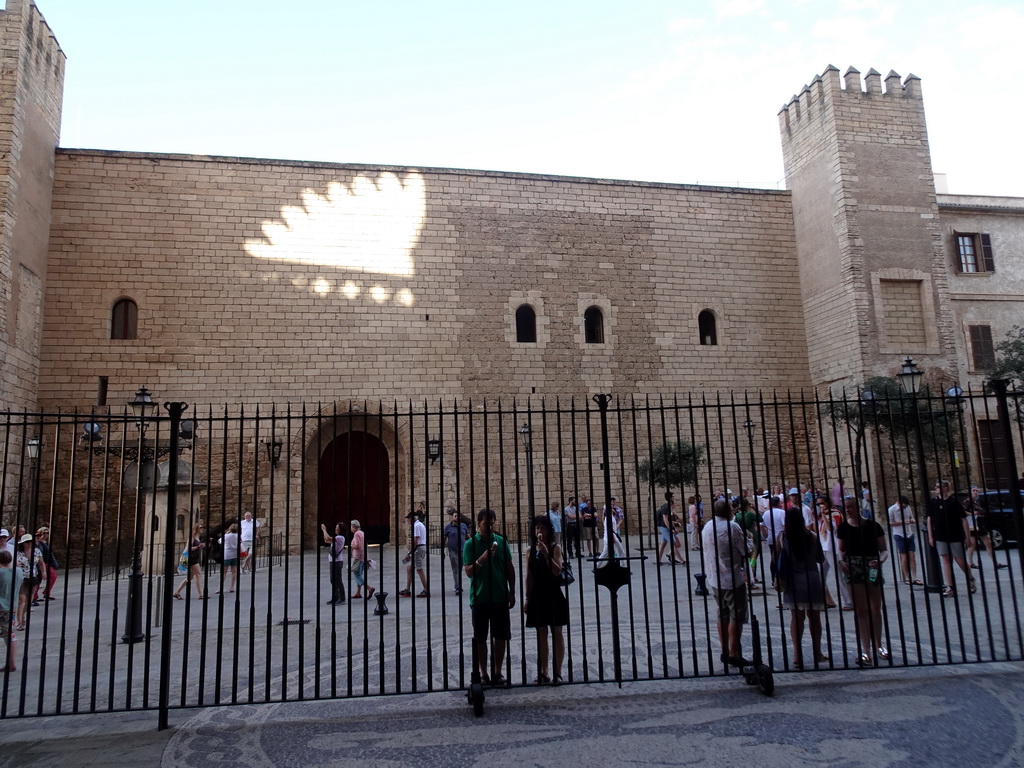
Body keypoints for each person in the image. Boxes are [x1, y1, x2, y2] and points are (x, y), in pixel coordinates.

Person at [463, 508, 516, 686]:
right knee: (480, 638)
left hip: (500, 596)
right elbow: (469, 572)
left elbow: (510, 567)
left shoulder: (501, 541)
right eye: (487, 524)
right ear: (478, 523)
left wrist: (512, 592)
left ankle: (497, 671)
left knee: (500, 636)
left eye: (493, 524)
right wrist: (482, 559)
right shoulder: (470, 545)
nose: (490, 527)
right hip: (479, 598)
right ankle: (483, 673)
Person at [837, 498, 887, 666]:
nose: (848, 510)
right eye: (846, 508)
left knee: (875, 608)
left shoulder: (874, 526)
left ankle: (879, 645)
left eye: (850, 507)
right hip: (853, 567)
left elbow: (884, 550)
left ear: (858, 507)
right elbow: (841, 550)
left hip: (872, 565)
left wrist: (880, 561)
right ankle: (865, 650)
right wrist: (841, 562)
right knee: (860, 610)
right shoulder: (843, 528)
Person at [777, 507, 828, 669]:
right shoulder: (812, 536)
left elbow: (777, 560)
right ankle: (817, 652)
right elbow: (820, 558)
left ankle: (797, 655)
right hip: (812, 578)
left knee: (797, 618)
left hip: (794, 580)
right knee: (815, 618)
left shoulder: (783, 537)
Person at [702, 498, 750, 669]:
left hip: (714, 578)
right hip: (732, 578)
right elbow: (747, 549)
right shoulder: (732, 527)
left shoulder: (707, 526)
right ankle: (734, 653)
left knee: (722, 613)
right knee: (736, 615)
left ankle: (724, 651)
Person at [524, 514, 569, 685]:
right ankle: (544, 671)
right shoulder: (529, 551)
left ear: (548, 530)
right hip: (538, 595)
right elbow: (529, 576)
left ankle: (557, 671)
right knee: (541, 633)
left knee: (557, 632)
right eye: (536, 528)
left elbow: (557, 571)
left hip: (553, 594)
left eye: (542, 527)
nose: (539, 531)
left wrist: (545, 553)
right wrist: (527, 598)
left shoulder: (555, 548)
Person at [927, 481, 974, 597]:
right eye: (936, 486)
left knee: (959, 560)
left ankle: (970, 578)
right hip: (940, 536)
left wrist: (968, 537)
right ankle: (950, 587)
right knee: (946, 560)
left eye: (938, 486)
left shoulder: (954, 502)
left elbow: (964, 519)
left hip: (955, 535)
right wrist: (931, 536)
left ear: (946, 488)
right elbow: (929, 519)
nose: (936, 488)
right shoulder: (933, 502)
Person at [818, 499, 852, 610]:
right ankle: (823, 600)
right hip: (824, 548)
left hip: (832, 548)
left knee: (838, 576)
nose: (820, 505)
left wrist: (823, 514)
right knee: (819, 576)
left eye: (822, 503)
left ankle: (849, 602)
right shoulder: (823, 516)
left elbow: (830, 529)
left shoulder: (835, 514)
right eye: (818, 504)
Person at [964, 486, 1006, 571]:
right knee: (973, 544)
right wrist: (972, 513)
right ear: (970, 492)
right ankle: (970, 562)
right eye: (973, 490)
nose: (976, 492)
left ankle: (995, 563)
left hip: (980, 523)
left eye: (976, 490)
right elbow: (963, 512)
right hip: (972, 524)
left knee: (988, 542)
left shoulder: (978, 501)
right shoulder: (967, 501)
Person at [887, 495, 921, 586]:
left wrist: (912, 520)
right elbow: (890, 523)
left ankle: (915, 577)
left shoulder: (908, 508)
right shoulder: (892, 509)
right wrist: (902, 522)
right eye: (904, 505)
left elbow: (911, 517)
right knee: (904, 557)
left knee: (912, 555)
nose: (905, 507)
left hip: (909, 533)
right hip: (899, 534)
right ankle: (907, 577)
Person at [0, 550, 23, 671]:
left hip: (1, 606)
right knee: (9, 633)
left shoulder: (1, 573)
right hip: (12, 606)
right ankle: (11, 661)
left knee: (7, 634)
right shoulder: (18, 572)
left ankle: (10, 663)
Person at [173, 523, 207, 601]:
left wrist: (201, 546)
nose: (202, 529)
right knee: (198, 575)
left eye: (203, 527)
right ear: (196, 529)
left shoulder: (198, 538)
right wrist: (198, 546)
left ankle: (177, 592)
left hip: (195, 558)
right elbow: (188, 548)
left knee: (190, 577)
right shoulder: (192, 538)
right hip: (192, 559)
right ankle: (201, 594)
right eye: (201, 527)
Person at [399, 509, 429, 597]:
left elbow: (416, 541)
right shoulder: (420, 524)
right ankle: (407, 589)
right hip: (421, 547)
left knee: (419, 569)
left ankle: (426, 590)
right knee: (409, 568)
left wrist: (409, 553)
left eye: (408, 519)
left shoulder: (416, 526)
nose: (407, 520)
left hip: (418, 549)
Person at [442, 509, 468, 595]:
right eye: (454, 516)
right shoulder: (448, 527)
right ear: (452, 517)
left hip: (462, 551)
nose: (456, 517)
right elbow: (444, 539)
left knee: (459, 569)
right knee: (455, 569)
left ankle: (457, 585)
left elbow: (468, 537)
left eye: (457, 516)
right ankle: (458, 587)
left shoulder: (464, 526)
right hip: (452, 551)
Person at [320, 522, 346, 605]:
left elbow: (327, 538)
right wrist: (324, 531)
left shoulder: (340, 537)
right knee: (333, 580)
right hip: (332, 561)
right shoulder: (336, 538)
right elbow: (326, 540)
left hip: (337, 561)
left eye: (337, 528)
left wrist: (324, 529)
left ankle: (341, 598)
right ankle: (335, 597)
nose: (336, 529)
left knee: (338, 580)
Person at [349, 519, 373, 599]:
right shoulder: (362, 533)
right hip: (363, 557)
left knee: (357, 574)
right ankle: (358, 592)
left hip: (358, 557)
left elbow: (358, 546)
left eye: (351, 527)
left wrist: (351, 546)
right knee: (359, 574)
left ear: (354, 526)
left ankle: (369, 588)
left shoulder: (356, 534)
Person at [33, 527, 58, 602]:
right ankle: (35, 595)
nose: (45, 535)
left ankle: (42, 594)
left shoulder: (46, 542)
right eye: (44, 533)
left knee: (41, 578)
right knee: (40, 578)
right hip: (42, 563)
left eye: (47, 533)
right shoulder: (38, 542)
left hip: (47, 562)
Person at [217, 523, 240, 594]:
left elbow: (219, 541)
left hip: (227, 554)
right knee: (234, 571)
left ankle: (221, 588)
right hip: (235, 554)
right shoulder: (238, 536)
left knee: (224, 572)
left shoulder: (226, 536)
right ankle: (232, 587)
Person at [655, 491, 675, 565]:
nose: (674, 497)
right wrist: (670, 528)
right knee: (675, 544)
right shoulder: (666, 506)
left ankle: (658, 560)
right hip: (665, 527)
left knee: (663, 544)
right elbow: (665, 519)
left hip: (664, 527)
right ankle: (681, 559)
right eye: (673, 496)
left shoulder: (667, 506)